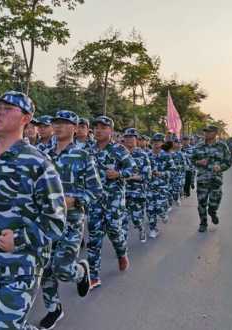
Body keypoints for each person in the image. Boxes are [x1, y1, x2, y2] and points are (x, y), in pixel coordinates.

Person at [0, 91, 66, 329]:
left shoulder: (38, 163)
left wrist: (19, 239)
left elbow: (56, 222)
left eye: (7, 108)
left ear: (25, 118)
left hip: (22, 265)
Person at [39, 110, 102, 329]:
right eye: (56, 122)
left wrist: (75, 200)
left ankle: (81, 272)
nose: (58, 126)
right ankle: (53, 308)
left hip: (72, 220)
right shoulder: (42, 153)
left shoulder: (83, 155)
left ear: (75, 128)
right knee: (45, 267)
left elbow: (96, 190)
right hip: (46, 220)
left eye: (65, 123)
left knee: (62, 268)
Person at [88, 116, 136, 289]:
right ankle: (93, 275)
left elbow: (133, 168)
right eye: (97, 127)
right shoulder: (89, 149)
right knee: (94, 237)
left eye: (103, 127)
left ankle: (121, 253)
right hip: (94, 200)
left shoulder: (119, 149)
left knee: (115, 231)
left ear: (111, 131)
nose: (99, 130)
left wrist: (119, 174)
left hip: (114, 199)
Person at [192, 125, 231, 233]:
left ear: (215, 133)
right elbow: (191, 159)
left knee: (214, 203)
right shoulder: (198, 146)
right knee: (201, 203)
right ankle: (203, 223)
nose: (206, 133)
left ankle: (212, 212)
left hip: (216, 180)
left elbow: (228, 162)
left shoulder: (222, 146)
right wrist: (198, 162)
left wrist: (220, 167)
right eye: (205, 131)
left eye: (209, 132)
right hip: (202, 180)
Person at [121, 128, 151, 243]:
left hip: (137, 193)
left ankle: (141, 229)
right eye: (127, 137)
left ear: (137, 139)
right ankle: (122, 244)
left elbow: (147, 176)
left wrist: (131, 177)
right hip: (121, 192)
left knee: (136, 219)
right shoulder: (119, 154)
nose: (128, 140)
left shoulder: (143, 155)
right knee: (121, 220)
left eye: (131, 137)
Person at [146, 133, 176, 238]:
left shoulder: (167, 156)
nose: (156, 144)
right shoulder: (147, 156)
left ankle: (163, 214)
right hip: (149, 187)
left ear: (162, 143)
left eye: (158, 142)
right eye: (154, 142)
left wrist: (162, 174)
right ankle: (153, 229)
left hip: (162, 187)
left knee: (159, 208)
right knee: (150, 209)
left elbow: (173, 172)